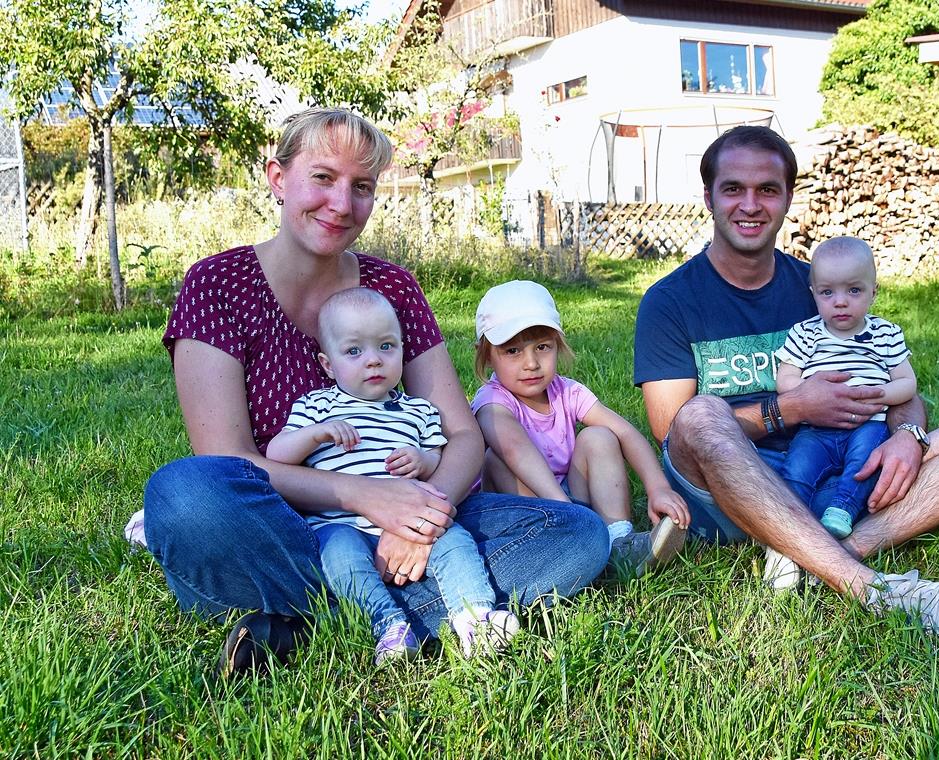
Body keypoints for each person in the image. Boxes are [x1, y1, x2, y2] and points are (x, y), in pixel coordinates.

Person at [139, 108, 609, 678]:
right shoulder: (217, 284)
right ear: (277, 177)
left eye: (361, 187)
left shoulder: (393, 286)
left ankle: (311, 619)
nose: (342, 203)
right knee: (186, 493)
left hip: (416, 507)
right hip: (283, 522)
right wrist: (364, 497)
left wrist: (421, 518)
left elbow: (461, 435)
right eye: (322, 177)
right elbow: (229, 459)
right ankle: (410, 610)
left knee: (579, 534)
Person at [633, 125, 939, 644]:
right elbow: (673, 431)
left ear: (788, 197)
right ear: (708, 197)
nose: (751, 204)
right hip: (730, 485)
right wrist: (793, 409)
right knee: (701, 413)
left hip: (838, 473)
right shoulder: (669, 302)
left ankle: (813, 555)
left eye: (767, 189)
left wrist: (908, 437)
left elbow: (897, 385)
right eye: (733, 188)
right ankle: (870, 587)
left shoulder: (823, 284)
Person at [266, 288, 518, 661]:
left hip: (411, 522)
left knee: (456, 542)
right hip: (341, 524)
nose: (373, 361)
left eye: (386, 347)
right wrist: (316, 434)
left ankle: (474, 616)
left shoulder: (416, 410)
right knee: (338, 557)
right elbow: (276, 455)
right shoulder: (316, 406)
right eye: (354, 351)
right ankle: (389, 625)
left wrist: (423, 461)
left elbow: (438, 454)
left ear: (402, 349)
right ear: (328, 364)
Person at [471, 280, 690, 576]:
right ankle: (554, 546)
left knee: (599, 437)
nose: (532, 363)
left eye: (542, 347)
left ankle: (617, 542)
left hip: (572, 501)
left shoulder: (566, 392)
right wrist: (566, 511)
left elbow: (625, 432)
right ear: (486, 356)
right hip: (530, 512)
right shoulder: (492, 400)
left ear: (558, 346)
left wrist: (658, 487)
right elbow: (514, 449)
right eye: (512, 351)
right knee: (495, 459)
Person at [775, 236, 917, 541]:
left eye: (854, 290)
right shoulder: (805, 333)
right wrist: (809, 394)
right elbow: (785, 380)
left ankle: (842, 509)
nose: (840, 301)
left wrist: (879, 395)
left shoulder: (885, 333)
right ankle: (787, 518)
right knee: (798, 466)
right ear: (813, 294)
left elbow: (907, 382)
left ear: (873, 292)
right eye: (827, 292)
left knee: (865, 463)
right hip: (816, 427)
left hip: (868, 423)